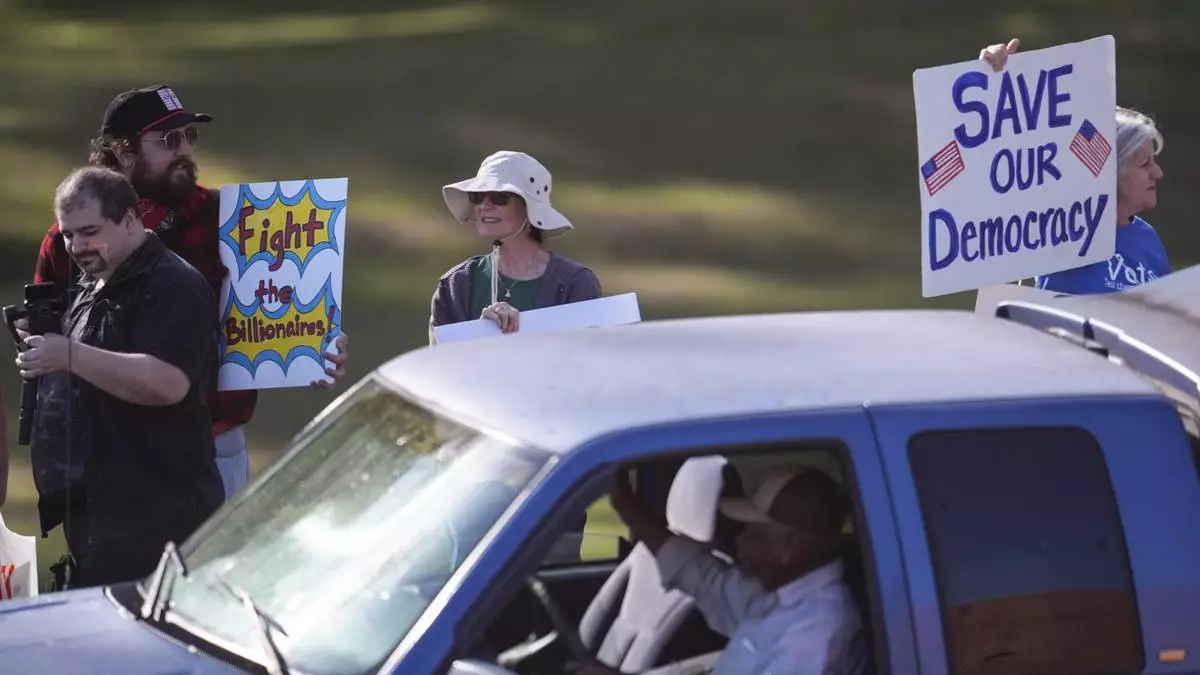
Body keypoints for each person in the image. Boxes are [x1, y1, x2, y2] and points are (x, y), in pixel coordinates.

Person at [28, 84, 351, 517]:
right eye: (168, 140)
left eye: (187, 137)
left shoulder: (232, 219)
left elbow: (277, 311)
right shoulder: (71, 240)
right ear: (122, 151)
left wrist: (310, 344)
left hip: (214, 442)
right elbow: (43, 337)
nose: (183, 150)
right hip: (112, 448)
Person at [14, 167, 225, 587]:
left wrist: (69, 354)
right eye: (68, 234)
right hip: (99, 521)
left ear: (130, 219)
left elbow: (167, 383)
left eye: (89, 231)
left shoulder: (173, 285)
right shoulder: (93, 281)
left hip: (158, 526)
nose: (76, 246)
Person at [579, 467, 868, 675]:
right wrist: (625, 505)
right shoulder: (777, 595)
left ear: (789, 547)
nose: (739, 541)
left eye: (753, 534)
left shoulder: (818, 632)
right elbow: (700, 574)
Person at [980, 39, 1171, 294]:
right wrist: (992, 79)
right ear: (1108, 171)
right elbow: (1005, 163)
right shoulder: (1060, 225)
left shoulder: (1149, 241)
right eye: (1145, 163)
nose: (1158, 173)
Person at [428, 150, 602, 342]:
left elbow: (587, 361)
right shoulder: (455, 284)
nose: (484, 206)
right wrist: (481, 332)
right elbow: (440, 365)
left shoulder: (575, 283)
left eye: (498, 196)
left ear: (529, 208)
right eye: (477, 196)